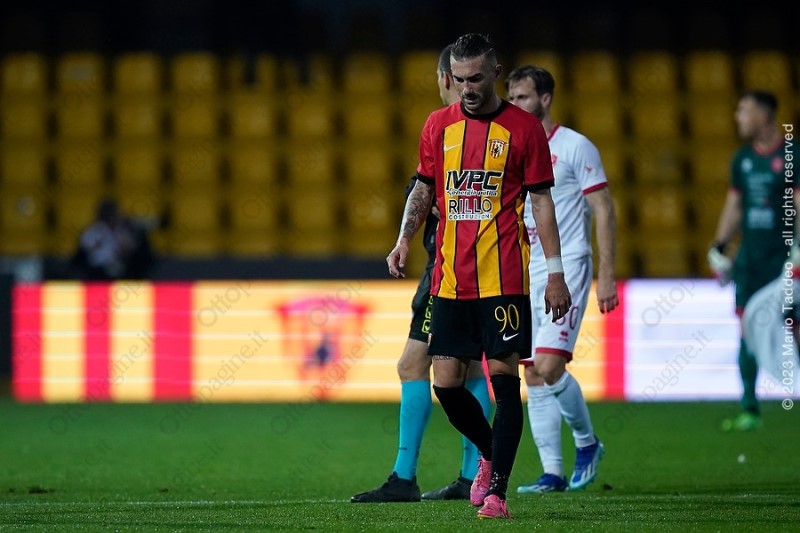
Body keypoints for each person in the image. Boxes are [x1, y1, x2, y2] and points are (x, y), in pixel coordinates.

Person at [387, 33, 571, 520]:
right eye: (460, 79)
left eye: (476, 79)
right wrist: (404, 239)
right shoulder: (437, 125)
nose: (467, 88)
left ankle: (497, 494)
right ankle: (491, 454)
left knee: (505, 382)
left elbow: (541, 201)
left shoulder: (524, 129)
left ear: (495, 73)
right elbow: (424, 187)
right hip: (450, 280)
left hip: (503, 280)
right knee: (446, 385)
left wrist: (555, 273)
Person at [351, 44, 493, 504]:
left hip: (450, 269)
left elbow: (434, 192)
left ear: (444, 78)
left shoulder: (447, 128)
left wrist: (410, 234)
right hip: (471, 267)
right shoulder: (470, 130)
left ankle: (406, 477)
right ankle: (471, 475)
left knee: (414, 364)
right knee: (469, 368)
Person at [505, 65, 618, 493]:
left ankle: (587, 443)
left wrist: (607, 274)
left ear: (545, 99)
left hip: (566, 266)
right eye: (511, 98)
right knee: (532, 373)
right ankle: (552, 472)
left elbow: (603, 208)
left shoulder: (574, 146)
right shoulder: (513, 149)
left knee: (550, 365)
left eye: (523, 97)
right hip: (525, 270)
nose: (515, 105)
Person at [707, 90, 795, 431]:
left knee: (793, 324)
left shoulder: (792, 154)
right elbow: (735, 205)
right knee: (747, 328)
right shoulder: (742, 158)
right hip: (751, 259)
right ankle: (749, 407)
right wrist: (719, 245)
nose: (737, 117)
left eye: (743, 110)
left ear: (763, 115)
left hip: (784, 258)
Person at [71, 198, 154, 280]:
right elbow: (86, 249)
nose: (110, 219)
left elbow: (130, 248)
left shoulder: (122, 229)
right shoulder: (92, 231)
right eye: (107, 216)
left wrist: (121, 240)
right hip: (96, 270)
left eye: (112, 215)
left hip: (120, 267)